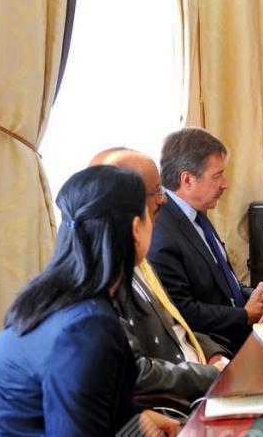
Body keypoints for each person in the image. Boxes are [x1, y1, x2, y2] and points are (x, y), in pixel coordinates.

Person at [0, 166, 180, 437]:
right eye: (151, 214)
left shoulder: (50, 300)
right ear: (135, 229)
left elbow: (79, 421)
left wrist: (137, 421)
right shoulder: (85, 329)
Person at [91, 148, 231, 403]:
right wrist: (210, 375)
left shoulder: (139, 261)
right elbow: (136, 373)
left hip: (205, 370)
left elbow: (175, 323)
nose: (164, 199)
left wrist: (214, 354)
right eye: (156, 191)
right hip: (182, 401)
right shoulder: (102, 279)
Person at [148, 127, 263, 351]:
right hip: (215, 347)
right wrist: (244, 315)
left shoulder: (195, 214)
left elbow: (222, 279)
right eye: (217, 176)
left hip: (241, 330)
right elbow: (183, 311)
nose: (225, 183)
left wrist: (253, 296)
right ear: (187, 179)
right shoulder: (162, 233)